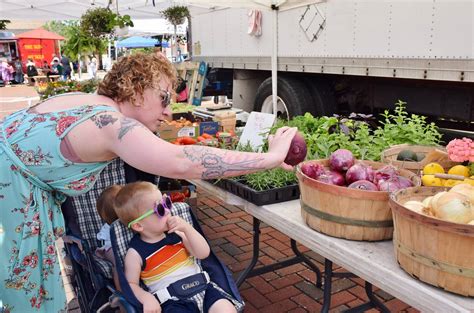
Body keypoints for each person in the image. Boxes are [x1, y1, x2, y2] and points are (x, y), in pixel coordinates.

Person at [0, 52, 297, 312]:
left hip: (13, 180)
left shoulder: (90, 103)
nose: (169, 111)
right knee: (27, 290)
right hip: (13, 188)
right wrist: (268, 159)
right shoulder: (111, 125)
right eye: (164, 98)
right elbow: (182, 160)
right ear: (137, 90)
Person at [114, 181, 238, 313]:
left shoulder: (177, 233)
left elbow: (203, 253)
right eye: (160, 209)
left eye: (167, 203)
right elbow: (130, 284)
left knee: (226, 309)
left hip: (204, 289)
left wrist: (187, 229)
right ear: (138, 226)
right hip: (173, 301)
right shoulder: (135, 253)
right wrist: (146, 298)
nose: (168, 211)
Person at [95, 184, 122, 290]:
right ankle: (121, 293)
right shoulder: (109, 228)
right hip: (110, 248)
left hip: (128, 247)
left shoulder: (132, 219)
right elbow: (103, 239)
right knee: (117, 263)